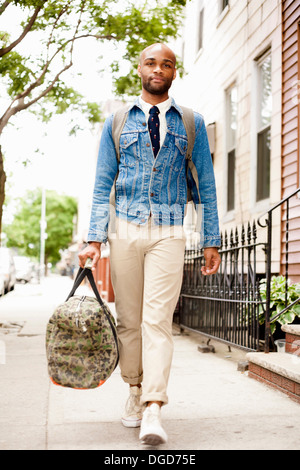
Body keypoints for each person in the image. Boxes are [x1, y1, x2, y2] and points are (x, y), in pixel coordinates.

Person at [79, 43, 221, 446]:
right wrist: (94, 238)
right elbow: (102, 183)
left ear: (175, 72)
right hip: (124, 228)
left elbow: (206, 187)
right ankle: (135, 391)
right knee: (128, 319)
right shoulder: (117, 122)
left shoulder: (191, 122)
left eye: (167, 64)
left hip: (171, 230)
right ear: (139, 68)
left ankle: (154, 407)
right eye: (152, 63)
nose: (159, 69)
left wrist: (211, 240)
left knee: (157, 320)